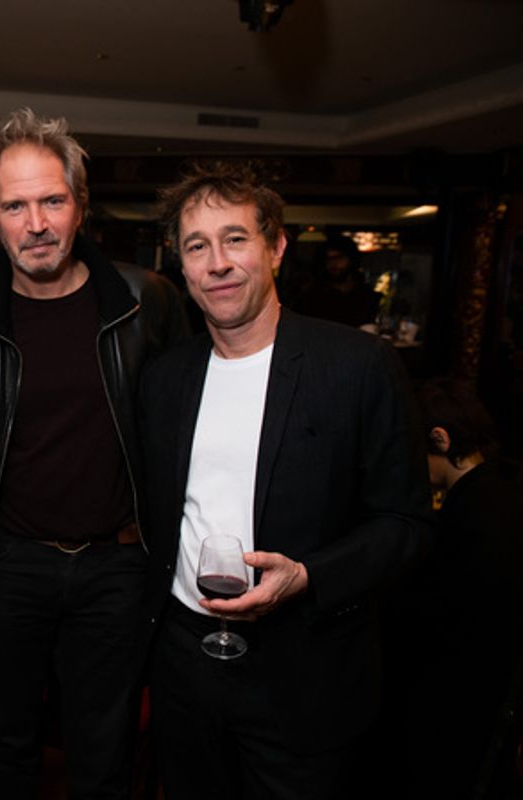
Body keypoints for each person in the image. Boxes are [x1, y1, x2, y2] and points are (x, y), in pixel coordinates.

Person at [139, 161, 434, 799]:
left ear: (275, 246)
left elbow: (406, 524)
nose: (217, 262)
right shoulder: (164, 379)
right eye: (197, 246)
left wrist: (309, 577)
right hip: (184, 666)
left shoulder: (357, 366)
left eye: (235, 239)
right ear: (181, 265)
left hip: (304, 671)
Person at [0, 108, 188, 798]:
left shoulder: (145, 301)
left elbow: (185, 435)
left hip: (118, 566)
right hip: (11, 565)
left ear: (80, 208)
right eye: (15, 205)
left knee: (102, 750)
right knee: (8, 739)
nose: (35, 222)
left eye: (52, 200)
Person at [380, 377, 522, 798]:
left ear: (440, 440)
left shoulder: (478, 516)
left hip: (466, 708)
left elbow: (443, 619)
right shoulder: (504, 480)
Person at [296, 234, 379, 328]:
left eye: (339, 258)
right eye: (329, 259)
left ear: (351, 259)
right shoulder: (313, 296)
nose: (334, 264)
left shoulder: (366, 295)